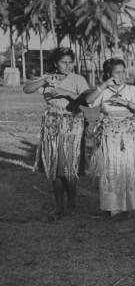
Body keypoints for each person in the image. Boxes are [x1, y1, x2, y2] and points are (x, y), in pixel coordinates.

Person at [24, 48, 89, 219]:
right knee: (54, 167)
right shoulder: (48, 78)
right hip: (52, 124)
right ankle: (59, 205)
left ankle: (72, 204)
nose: (68, 65)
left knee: (68, 167)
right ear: (55, 63)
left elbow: (87, 101)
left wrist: (67, 93)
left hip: (72, 124)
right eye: (63, 62)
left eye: (70, 62)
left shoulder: (78, 79)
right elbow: (27, 89)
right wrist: (45, 80)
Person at [86, 58, 135, 221]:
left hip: (128, 134)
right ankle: (111, 208)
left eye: (123, 71)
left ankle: (126, 206)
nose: (122, 75)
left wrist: (126, 103)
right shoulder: (103, 91)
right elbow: (88, 101)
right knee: (109, 169)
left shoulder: (130, 89)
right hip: (108, 135)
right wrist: (104, 85)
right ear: (108, 74)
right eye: (117, 72)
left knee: (128, 168)